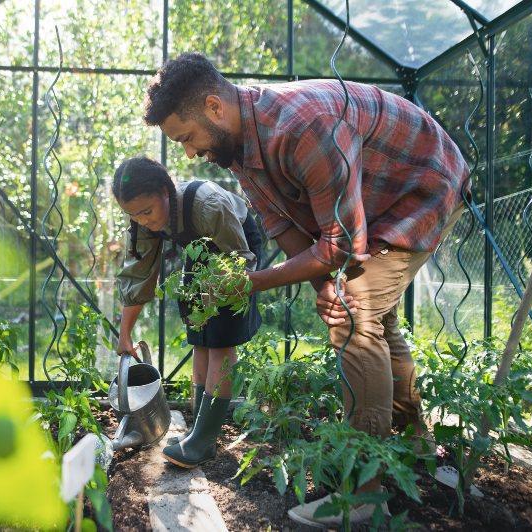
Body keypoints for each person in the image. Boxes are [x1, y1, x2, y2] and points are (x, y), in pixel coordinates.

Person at [143, 52, 469, 526]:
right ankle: (417, 447)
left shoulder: (302, 125)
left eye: (186, 138)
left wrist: (254, 282)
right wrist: (324, 283)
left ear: (214, 107)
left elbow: (338, 245)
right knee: (367, 312)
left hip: (421, 186)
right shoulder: (239, 150)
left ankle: (364, 494)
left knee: (356, 317)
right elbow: (287, 228)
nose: (189, 153)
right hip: (368, 207)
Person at [113, 156, 262, 468]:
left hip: (235, 248)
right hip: (201, 251)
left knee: (219, 341)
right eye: (133, 215)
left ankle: (204, 440)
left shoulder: (208, 204)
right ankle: (198, 429)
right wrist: (125, 335)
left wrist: (222, 291)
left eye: (146, 211)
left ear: (166, 192)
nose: (142, 220)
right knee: (200, 336)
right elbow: (139, 276)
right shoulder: (144, 223)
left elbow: (239, 261)